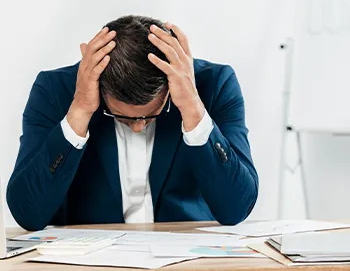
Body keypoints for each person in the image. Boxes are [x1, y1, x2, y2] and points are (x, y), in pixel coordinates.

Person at [7, 15, 258, 231]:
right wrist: (81, 110)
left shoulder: (216, 85)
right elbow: (27, 213)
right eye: (122, 116)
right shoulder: (55, 90)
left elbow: (237, 209)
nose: (139, 126)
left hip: (183, 257)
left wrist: (193, 108)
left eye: (151, 115)